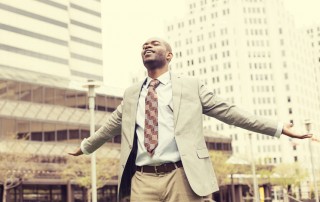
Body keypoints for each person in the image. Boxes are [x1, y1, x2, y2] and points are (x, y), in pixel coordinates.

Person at [69, 37, 312, 202]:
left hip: (182, 176)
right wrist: (85, 147)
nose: (147, 47)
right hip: (142, 179)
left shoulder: (191, 86)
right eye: (144, 46)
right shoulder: (132, 92)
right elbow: (112, 125)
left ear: (169, 55)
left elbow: (229, 112)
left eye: (154, 44)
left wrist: (279, 128)